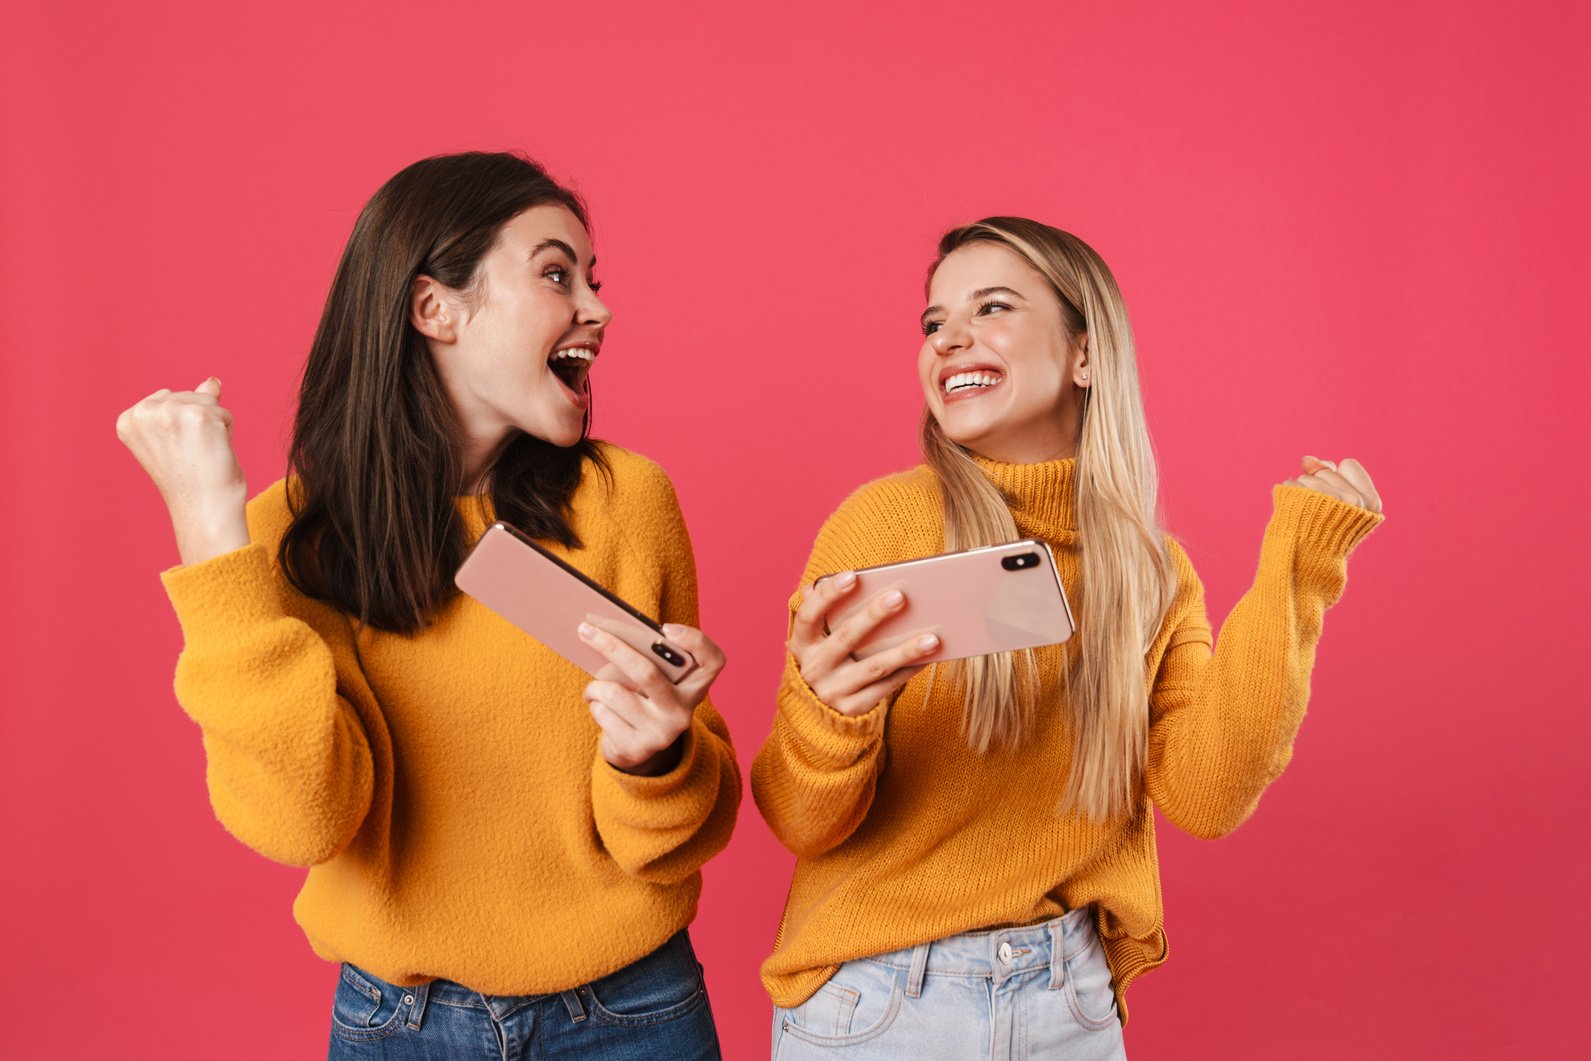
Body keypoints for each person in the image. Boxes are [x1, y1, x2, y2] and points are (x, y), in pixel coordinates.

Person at [115, 151, 740, 1060]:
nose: (597, 310)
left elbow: (677, 837)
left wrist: (656, 759)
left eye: (592, 280)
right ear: (433, 308)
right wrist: (210, 532)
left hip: (629, 1010)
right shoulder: (285, 535)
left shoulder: (626, 502)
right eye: (557, 273)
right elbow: (304, 819)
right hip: (397, 1026)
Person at [753, 216, 1383, 1058]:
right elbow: (801, 820)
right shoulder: (883, 522)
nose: (949, 339)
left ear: (1085, 354)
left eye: (992, 307)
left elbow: (1207, 792)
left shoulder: (1151, 573)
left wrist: (1297, 575)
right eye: (933, 322)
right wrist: (830, 715)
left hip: (1068, 1004)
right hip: (883, 1004)